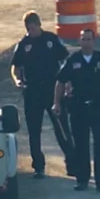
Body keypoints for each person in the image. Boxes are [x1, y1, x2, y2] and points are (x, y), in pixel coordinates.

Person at [9, 11, 72, 176]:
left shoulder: (51, 39)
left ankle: (72, 162)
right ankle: (38, 166)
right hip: (32, 91)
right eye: (29, 29)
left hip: (53, 89)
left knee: (62, 127)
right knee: (34, 130)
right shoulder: (23, 44)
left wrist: (67, 82)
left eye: (34, 27)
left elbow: (65, 59)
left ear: (39, 25)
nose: (32, 31)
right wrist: (17, 80)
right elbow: (15, 67)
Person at [56, 35, 100, 192]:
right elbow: (60, 81)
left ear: (93, 41)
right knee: (81, 145)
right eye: (83, 39)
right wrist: (56, 102)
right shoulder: (73, 60)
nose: (86, 42)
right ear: (79, 41)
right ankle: (82, 180)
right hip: (78, 108)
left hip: (99, 108)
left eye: (89, 39)